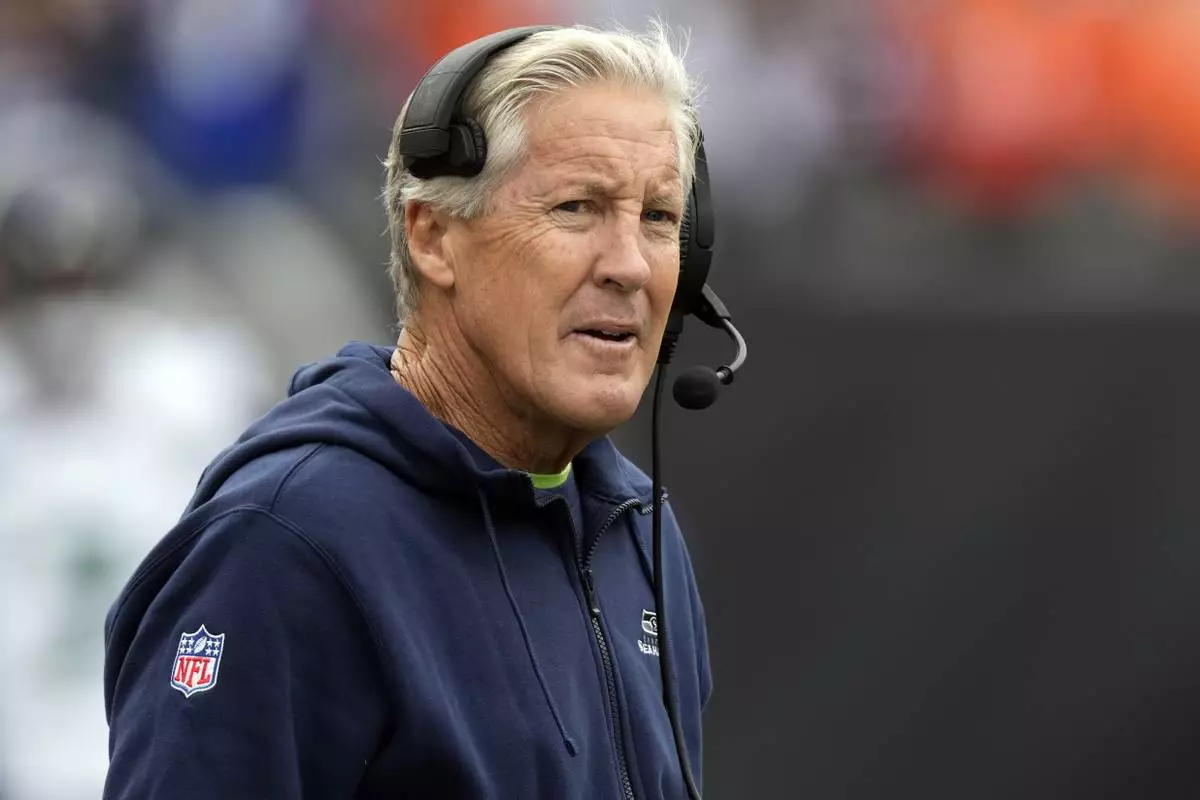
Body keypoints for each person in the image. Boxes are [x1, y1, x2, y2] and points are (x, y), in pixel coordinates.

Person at [102, 22, 713, 799]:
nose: (629, 265)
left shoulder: (640, 534)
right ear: (433, 238)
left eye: (658, 218)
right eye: (576, 207)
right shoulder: (282, 544)